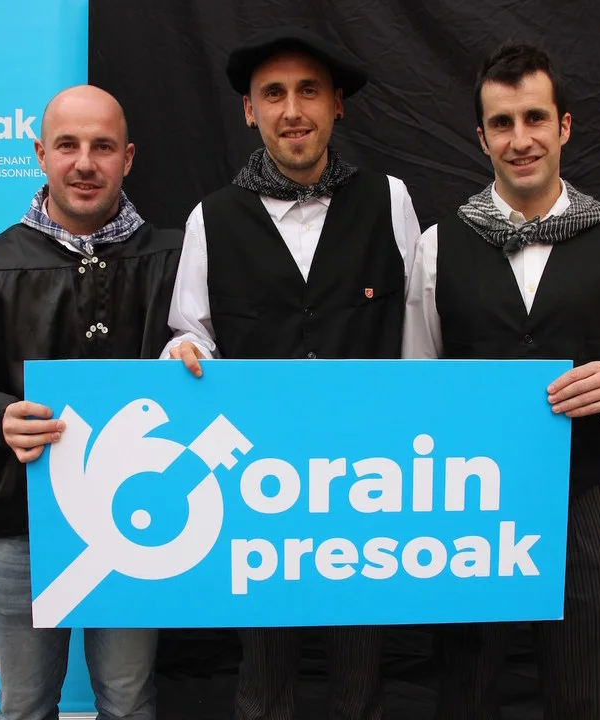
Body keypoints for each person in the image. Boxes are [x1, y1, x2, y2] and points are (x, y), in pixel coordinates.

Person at [402, 43, 600, 719]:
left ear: (563, 127)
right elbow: (418, 377)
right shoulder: (438, 245)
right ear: (482, 138)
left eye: (535, 118)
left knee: (584, 696)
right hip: (468, 507)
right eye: (502, 123)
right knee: (466, 694)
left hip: (586, 500)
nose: (520, 139)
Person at [163, 26, 421, 720]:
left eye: (309, 91)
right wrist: (183, 354)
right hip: (257, 481)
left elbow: (416, 333)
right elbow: (192, 333)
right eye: (273, 94)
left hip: (367, 478)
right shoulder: (211, 218)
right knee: (265, 670)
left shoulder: (390, 199)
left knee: (360, 667)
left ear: (337, 104)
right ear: (250, 111)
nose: (292, 110)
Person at [0, 85, 182, 720]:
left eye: (103, 147)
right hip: (21, 527)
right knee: (26, 704)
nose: (85, 163)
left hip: (137, 522)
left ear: (128, 158)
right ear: (41, 154)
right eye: (68, 145)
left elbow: (214, 359)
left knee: (128, 699)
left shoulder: (175, 258)